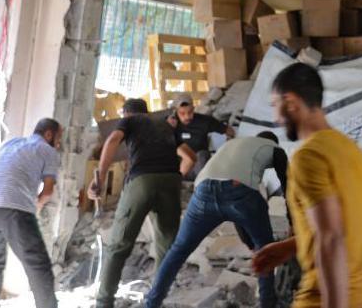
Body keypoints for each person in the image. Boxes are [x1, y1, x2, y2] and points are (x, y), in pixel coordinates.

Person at [252, 63, 362, 308]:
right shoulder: (350, 149)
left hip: (328, 298)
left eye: (275, 106)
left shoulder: (308, 156)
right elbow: (345, 223)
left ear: (291, 102)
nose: (276, 118)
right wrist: (291, 246)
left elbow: (331, 237)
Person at [145, 131, 286, 308]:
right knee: (266, 249)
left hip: (203, 191)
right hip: (239, 192)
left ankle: (151, 303)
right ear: (272, 142)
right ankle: (268, 303)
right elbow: (289, 187)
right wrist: (294, 222)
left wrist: (248, 242)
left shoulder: (233, 144)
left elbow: (236, 212)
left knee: (178, 250)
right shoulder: (274, 148)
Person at [89, 98, 196, 308]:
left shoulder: (130, 121)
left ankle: (104, 302)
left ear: (126, 113)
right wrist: (174, 178)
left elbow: (112, 140)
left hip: (142, 180)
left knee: (119, 246)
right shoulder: (165, 125)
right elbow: (190, 158)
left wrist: (99, 179)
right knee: (166, 246)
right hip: (171, 182)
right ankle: (156, 301)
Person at [0, 118, 62, 308]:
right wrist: (35, 206)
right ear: (49, 134)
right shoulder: (48, 150)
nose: (59, 142)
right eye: (59, 137)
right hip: (13, 207)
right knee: (38, 265)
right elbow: (47, 192)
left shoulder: (10, 143)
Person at [166, 93, 235, 179]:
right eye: (182, 113)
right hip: (179, 166)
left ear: (194, 108)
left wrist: (229, 145)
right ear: (176, 111)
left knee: (202, 154)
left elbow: (230, 131)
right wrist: (168, 128)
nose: (187, 116)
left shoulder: (204, 121)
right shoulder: (170, 123)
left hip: (198, 166)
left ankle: (199, 185)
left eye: (190, 112)